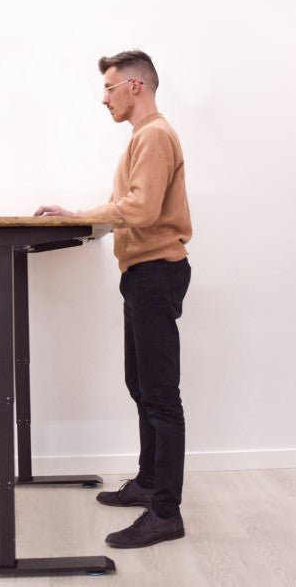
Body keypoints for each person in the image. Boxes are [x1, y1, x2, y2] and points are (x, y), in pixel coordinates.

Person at [34, 49, 192, 549]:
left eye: (109, 87)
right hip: (141, 274)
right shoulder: (144, 138)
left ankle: (166, 512)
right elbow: (134, 207)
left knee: (161, 396)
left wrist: (78, 217)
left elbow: (141, 209)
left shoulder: (154, 136)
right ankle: (148, 482)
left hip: (155, 273)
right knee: (140, 384)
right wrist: (76, 217)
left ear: (136, 87)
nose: (104, 98)